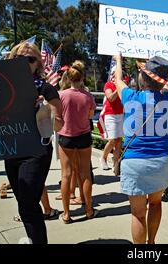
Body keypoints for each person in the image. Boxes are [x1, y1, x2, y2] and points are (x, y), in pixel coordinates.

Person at [0, 42, 65, 244]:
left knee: (28, 202)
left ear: (38, 63)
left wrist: (45, 110)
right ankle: (33, 238)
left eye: (29, 59)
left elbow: (59, 126)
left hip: (36, 150)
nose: (23, 63)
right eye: (18, 58)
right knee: (23, 203)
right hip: (11, 149)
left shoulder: (45, 89)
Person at [113, 54, 168, 244]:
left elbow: (117, 79)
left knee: (138, 214)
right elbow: (164, 87)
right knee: (156, 204)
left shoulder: (131, 96)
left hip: (135, 161)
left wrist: (118, 61)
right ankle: (152, 243)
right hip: (162, 160)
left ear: (142, 77)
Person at [58, 60, 96, 224]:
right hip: (84, 136)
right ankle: (89, 210)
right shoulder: (88, 96)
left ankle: (66, 214)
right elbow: (90, 115)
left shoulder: (61, 95)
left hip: (66, 137)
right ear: (81, 78)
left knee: (66, 175)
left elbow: (57, 114)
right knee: (85, 173)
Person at [99, 69, 128, 174]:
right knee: (112, 140)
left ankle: (116, 164)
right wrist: (118, 88)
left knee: (119, 140)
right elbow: (110, 98)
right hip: (110, 115)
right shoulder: (108, 85)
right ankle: (103, 158)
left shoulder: (124, 85)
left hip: (120, 114)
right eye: (113, 74)